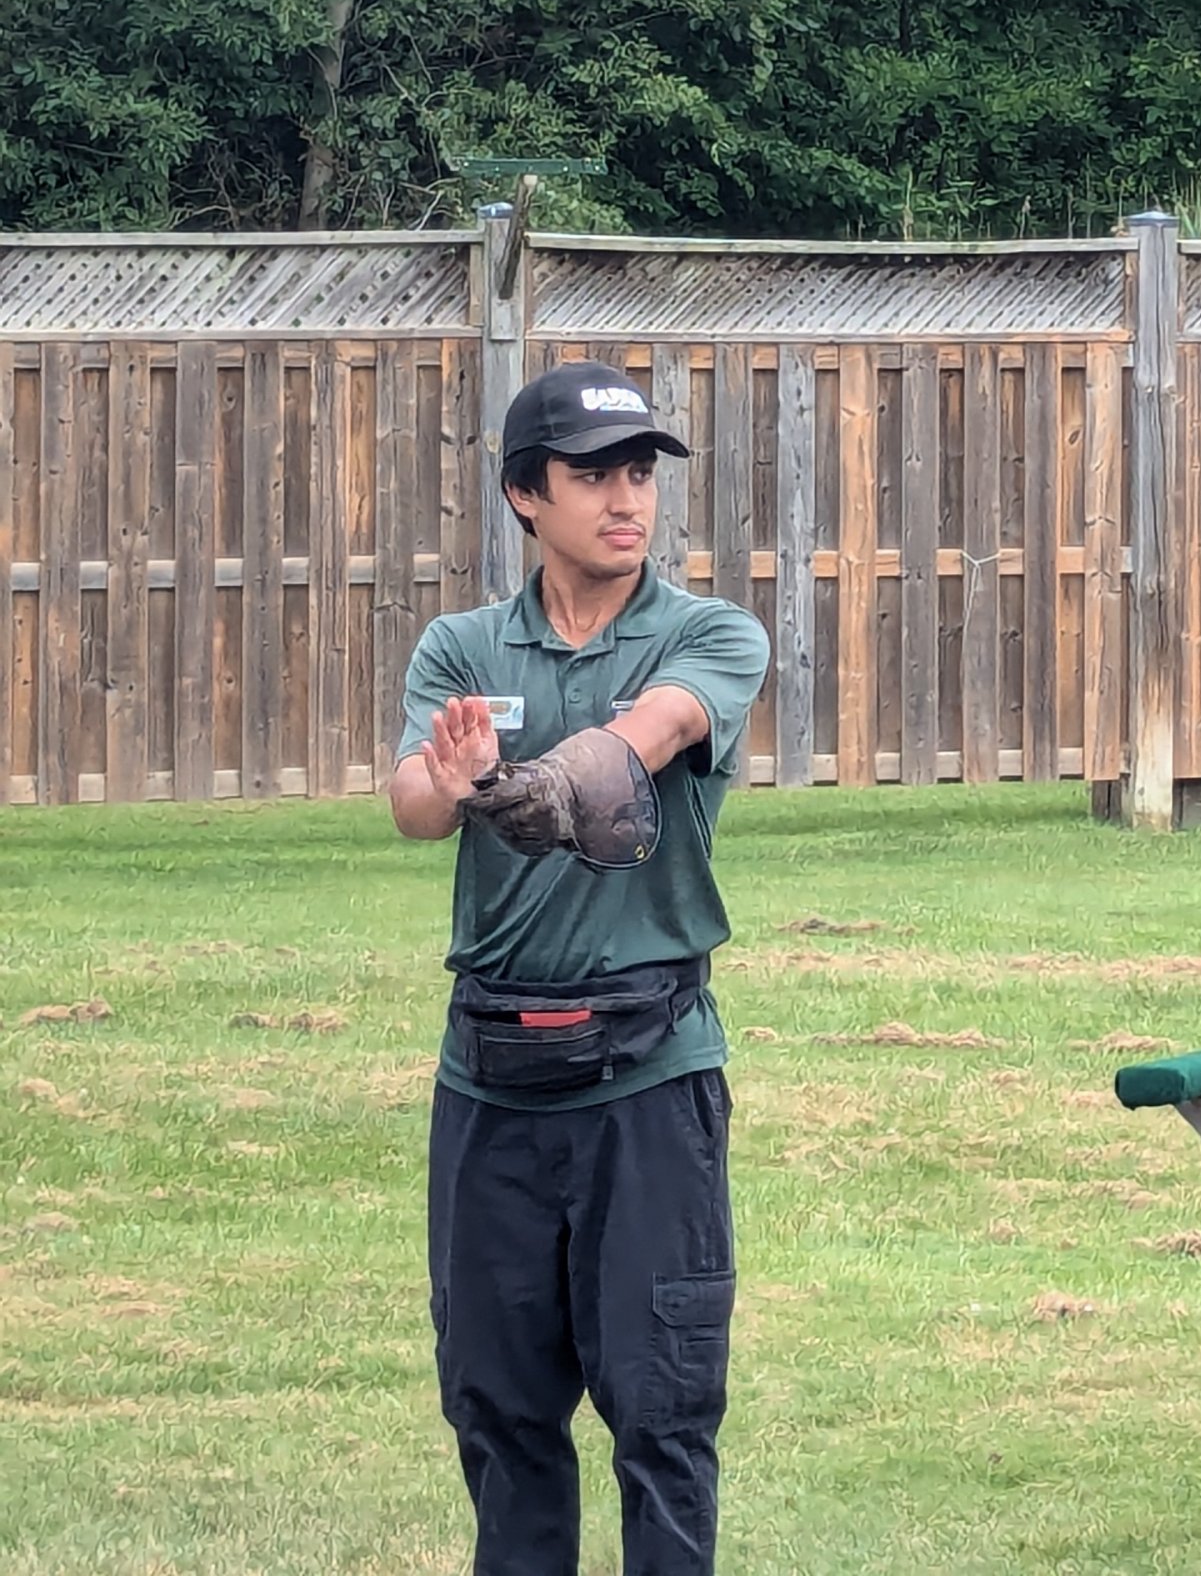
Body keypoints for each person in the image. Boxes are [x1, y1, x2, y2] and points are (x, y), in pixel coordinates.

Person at [388, 362, 770, 1576]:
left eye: (640, 474)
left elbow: (654, 731)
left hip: (648, 1077)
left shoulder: (711, 631)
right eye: (592, 475)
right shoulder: (460, 647)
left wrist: (558, 781)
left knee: (661, 1415)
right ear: (522, 497)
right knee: (499, 1413)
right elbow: (408, 803)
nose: (626, 500)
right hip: (490, 1083)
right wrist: (449, 786)